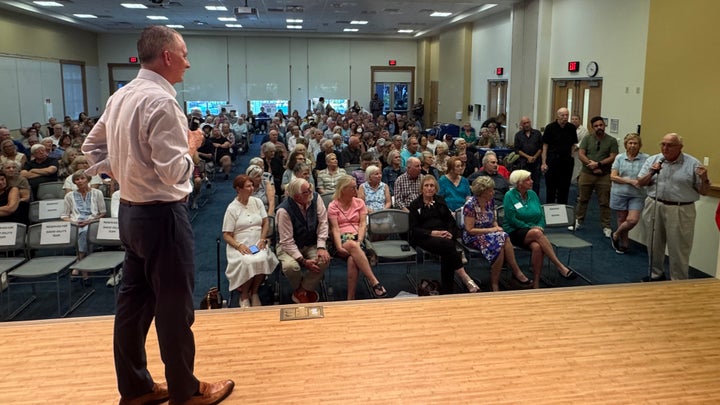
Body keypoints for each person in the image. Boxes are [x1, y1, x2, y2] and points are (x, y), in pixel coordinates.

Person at [81, 26, 234, 405]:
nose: (188, 62)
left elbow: (90, 147)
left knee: (132, 305)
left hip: (130, 214)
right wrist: (192, 146)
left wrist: (123, 174)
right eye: (184, 54)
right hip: (163, 217)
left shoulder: (122, 95)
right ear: (167, 56)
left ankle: (135, 388)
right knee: (174, 307)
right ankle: (186, 391)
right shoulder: (162, 103)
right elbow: (175, 172)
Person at [637, 133, 710, 281]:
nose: (665, 148)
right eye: (663, 144)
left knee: (678, 248)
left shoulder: (692, 164)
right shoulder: (653, 160)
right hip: (654, 204)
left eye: (670, 145)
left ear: (680, 147)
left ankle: (678, 281)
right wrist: (652, 171)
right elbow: (641, 182)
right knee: (653, 244)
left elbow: (704, 191)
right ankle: (655, 274)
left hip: (680, 209)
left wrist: (704, 179)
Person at [502, 170, 578, 288]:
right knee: (537, 234)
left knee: (537, 247)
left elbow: (541, 214)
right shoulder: (509, 196)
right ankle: (559, 266)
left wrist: (540, 226)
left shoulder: (532, 194)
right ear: (519, 183)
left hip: (533, 232)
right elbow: (511, 219)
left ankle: (536, 283)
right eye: (528, 179)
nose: (532, 181)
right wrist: (531, 228)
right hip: (514, 231)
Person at [409, 175, 478, 294]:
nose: (429, 188)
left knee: (447, 249)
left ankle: (448, 289)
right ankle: (464, 278)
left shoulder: (440, 201)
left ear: (435, 188)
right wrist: (433, 233)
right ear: (422, 189)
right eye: (426, 186)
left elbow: (450, 222)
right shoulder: (415, 204)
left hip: (444, 236)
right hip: (425, 237)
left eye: (432, 186)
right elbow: (414, 229)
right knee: (449, 247)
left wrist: (450, 233)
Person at [463, 176, 534, 292]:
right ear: (481, 192)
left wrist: (496, 227)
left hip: (492, 235)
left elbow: (493, 219)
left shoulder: (489, 202)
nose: (493, 193)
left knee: (500, 241)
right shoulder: (470, 205)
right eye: (490, 191)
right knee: (502, 239)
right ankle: (515, 273)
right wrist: (492, 230)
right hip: (473, 236)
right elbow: (469, 229)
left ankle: (496, 283)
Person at [223, 175, 279, 308]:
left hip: (257, 241)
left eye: (252, 185)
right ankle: (243, 295)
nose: (252, 188)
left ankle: (254, 292)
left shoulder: (257, 202)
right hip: (240, 244)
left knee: (262, 257)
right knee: (248, 261)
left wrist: (262, 238)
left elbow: (265, 222)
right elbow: (226, 235)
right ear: (238, 189)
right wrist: (239, 245)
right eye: (248, 186)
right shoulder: (232, 208)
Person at [327, 175, 387, 300]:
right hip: (339, 240)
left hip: (358, 238)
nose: (356, 190)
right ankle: (374, 281)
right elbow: (335, 229)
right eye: (353, 188)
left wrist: (359, 240)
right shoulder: (333, 205)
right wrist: (338, 246)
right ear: (343, 190)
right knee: (351, 244)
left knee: (352, 260)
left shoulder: (359, 203)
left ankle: (350, 298)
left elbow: (362, 224)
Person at [276, 178, 331, 303]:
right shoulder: (283, 211)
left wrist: (321, 246)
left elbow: (323, 223)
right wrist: (304, 261)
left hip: (311, 242)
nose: (311, 192)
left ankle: (302, 289)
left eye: (310, 188)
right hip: (288, 246)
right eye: (306, 192)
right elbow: (287, 242)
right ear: (297, 196)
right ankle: (305, 289)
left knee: (323, 260)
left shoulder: (316, 198)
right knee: (291, 267)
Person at [574, 116, 618, 236]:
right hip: (587, 173)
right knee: (582, 199)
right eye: (596, 126)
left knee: (604, 201)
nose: (599, 127)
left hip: (603, 175)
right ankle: (578, 220)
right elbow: (581, 154)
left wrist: (599, 164)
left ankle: (606, 226)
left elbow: (613, 156)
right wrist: (591, 164)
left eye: (601, 125)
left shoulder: (611, 140)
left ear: (604, 126)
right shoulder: (587, 138)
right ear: (592, 127)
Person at [610, 133, 648, 254]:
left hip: (637, 194)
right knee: (622, 218)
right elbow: (613, 176)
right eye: (630, 143)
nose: (632, 145)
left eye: (635, 143)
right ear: (626, 144)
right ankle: (624, 244)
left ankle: (615, 234)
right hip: (620, 193)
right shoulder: (619, 158)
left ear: (640, 145)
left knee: (632, 220)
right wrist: (630, 181)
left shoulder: (646, 158)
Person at [60, 170, 106, 264]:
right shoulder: (69, 195)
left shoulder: (97, 193)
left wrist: (90, 221)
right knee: (80, 230)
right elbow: (64, 215)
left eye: (82, 178)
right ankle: (84, 266)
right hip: (75, 222)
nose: (80, 181)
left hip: (92, 221)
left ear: (88, 180)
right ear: (74, 182)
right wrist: (74, 222)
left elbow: (102, 212)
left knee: (85, 231)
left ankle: (79, 259)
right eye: (77, 179)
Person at [541, 107, 577, 204]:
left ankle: (563, 211)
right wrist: (543, 162)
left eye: (567, 115)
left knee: (564, 188)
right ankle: (550, 210)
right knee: (551, 188)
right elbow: (545, 146)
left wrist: (571, 156)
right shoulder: (550, 127)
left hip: (566, 161)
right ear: (557, 116)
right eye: (563, 115)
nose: (565, 117)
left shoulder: (571, 128)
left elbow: (573, 145)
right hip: (552, 160)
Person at [513, 116, 543, 195]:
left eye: (528, 122)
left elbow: (541, 147)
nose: (526, 125)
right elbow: (517, 150)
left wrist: (534, 157)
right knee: (524, 182)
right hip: (523, 162)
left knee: (536, 183)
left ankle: (535, 199)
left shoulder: (537, 133)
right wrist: (528, 157)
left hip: (536, 162)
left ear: (530, 122)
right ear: (521, 125)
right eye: (524, 123)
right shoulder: (518, 135)